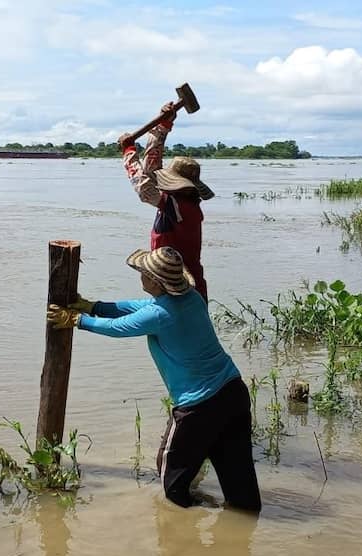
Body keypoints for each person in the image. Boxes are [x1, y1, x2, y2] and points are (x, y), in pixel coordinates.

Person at [46, 246, 261, 511]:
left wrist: (77, 320)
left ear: (156, 282)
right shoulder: (192, 298)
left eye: (144, 273)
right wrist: (94, 306)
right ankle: (240, 530)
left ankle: (187, 533)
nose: (140, 277)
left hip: (199, 407)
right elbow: (137, 307)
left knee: (172, 484)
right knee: (240, 484)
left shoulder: (160, 315)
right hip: (233, 394)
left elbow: (118, 328)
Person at [118, 103, 214, 302]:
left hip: (185, 286)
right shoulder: (179, 200)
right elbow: (152, 170)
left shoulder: (181, 207)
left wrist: (128, 152)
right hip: (170, 280)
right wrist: (162, 126)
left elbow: (144, 188)